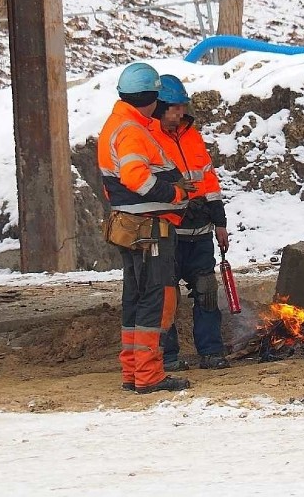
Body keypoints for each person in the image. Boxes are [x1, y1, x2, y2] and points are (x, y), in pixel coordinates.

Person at [97, 62, 196, 393]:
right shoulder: (131, 129)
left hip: (131, 226)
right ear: (152, 97)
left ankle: (133, 372)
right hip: (148, 227)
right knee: (153, 296)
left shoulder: (119, 123)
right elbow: (135, 177)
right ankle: (149, 375)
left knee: (135, 296)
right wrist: (176, 192)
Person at [149, 75, 231, 370]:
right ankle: (167, 356)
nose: (181, 113)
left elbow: (208, 180)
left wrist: (219, 220)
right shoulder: (148, 137)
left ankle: (211, 352)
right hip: (168, 232)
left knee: (207, 293)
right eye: (176, 107)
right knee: (166, 295)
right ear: (160, 107)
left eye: (183, 106)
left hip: (200, 231)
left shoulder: (191, 135)